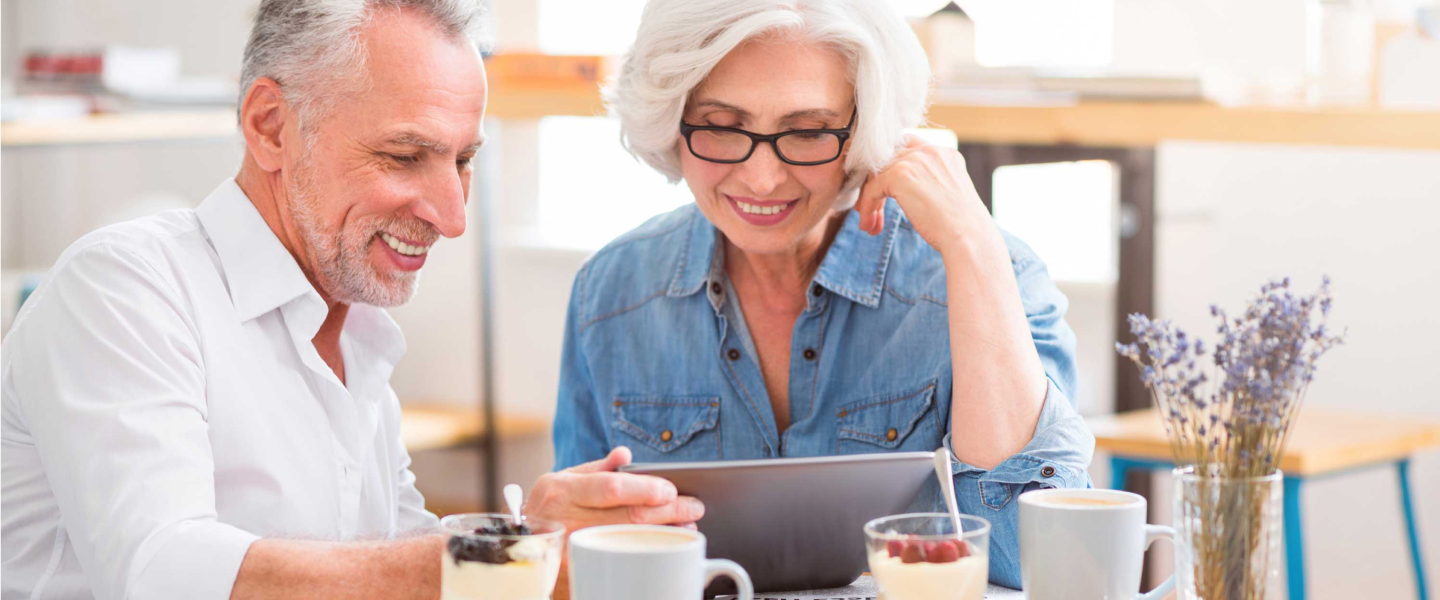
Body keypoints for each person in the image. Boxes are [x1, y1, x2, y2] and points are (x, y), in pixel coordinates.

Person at [536, 0, 1096, 588]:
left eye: (806, 132)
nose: (761, 177)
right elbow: (580, 559)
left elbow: (1032, 559)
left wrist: (974, 249)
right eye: (723, 127)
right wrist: (550, 533)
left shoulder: (986, 274)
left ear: (864, 131)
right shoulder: (613, 292)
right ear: (672, 120)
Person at [0, 1, 491, 598]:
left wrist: (525, 533)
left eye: (463, 160)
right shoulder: (120, 288)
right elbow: (160, 572)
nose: (453, 216)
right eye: (404, 156)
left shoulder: (357, 328)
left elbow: (397, 558)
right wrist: (492, 563)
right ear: (270, 127)